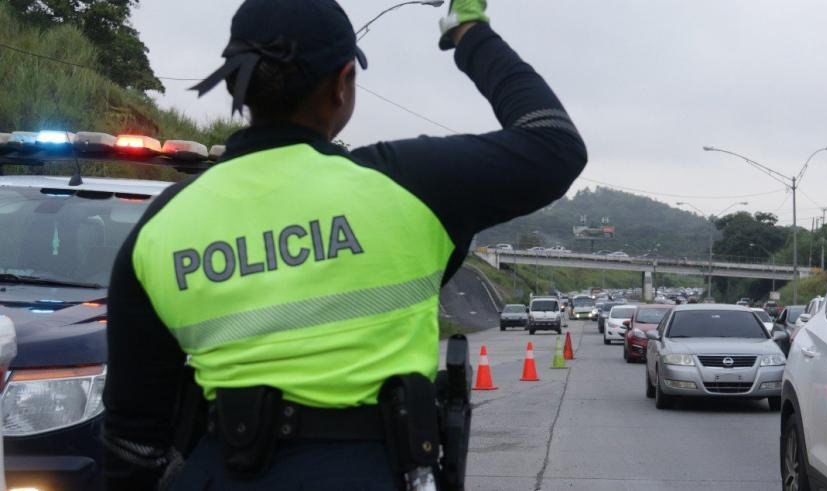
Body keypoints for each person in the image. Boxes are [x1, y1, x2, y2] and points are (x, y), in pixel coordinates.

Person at [99, 0, 586, 489]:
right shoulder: (409, 185)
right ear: (342, 82)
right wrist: (469, 33)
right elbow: (554, 142)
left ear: (237, 84)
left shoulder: (160, 226)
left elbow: (133, 443)